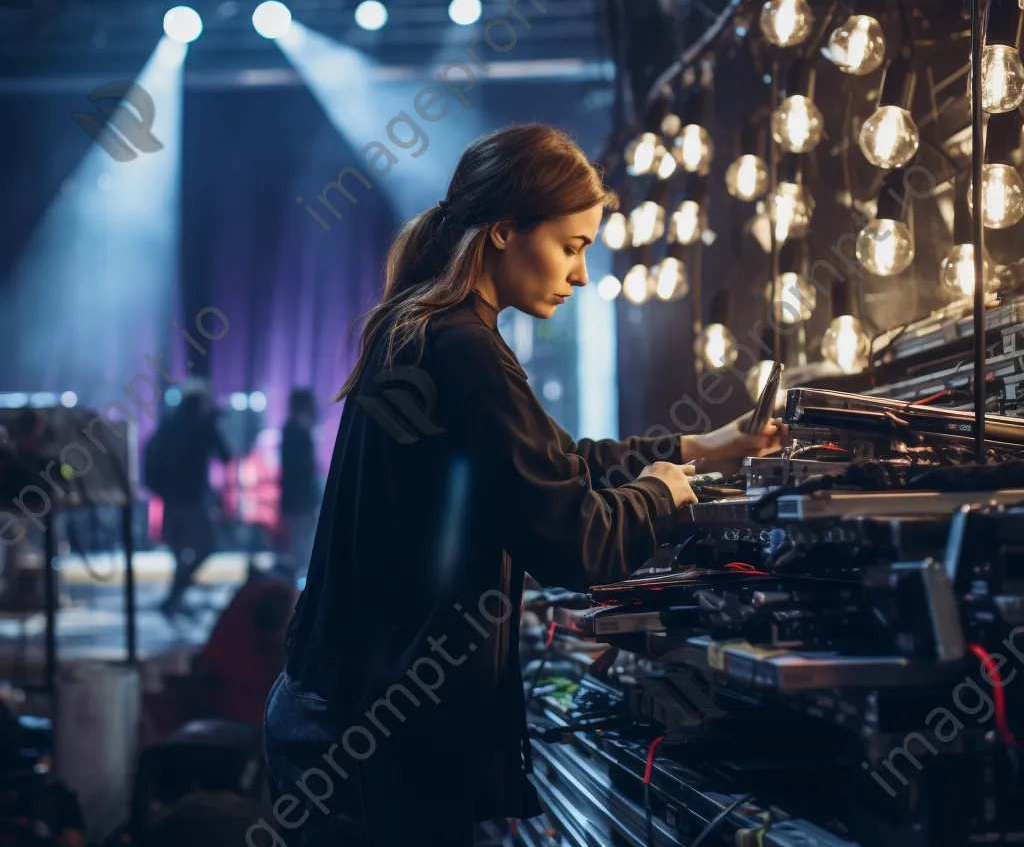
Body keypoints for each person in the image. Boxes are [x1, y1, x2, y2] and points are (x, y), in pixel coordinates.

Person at [263, 124, 782, 845]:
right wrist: (664, 493)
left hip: (338, 718)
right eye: (571, 248)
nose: (579, 274)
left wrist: (700, 447)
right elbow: (576, 542)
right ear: (505, 231)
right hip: (369, 738)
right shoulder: (466, 349)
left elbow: (549, 460)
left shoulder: (425, 329)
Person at [149, 382, 231, 618]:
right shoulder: (202, 425)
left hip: (170, 500)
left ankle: (174, 599)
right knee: (206, 547)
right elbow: (226, 455)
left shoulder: (169, 424)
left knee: (180, 553)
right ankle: (174, 597)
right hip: (191, 501)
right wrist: (214, 424)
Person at [278, 388, 321, 583]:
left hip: (296, 499)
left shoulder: (291, 430)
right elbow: (302, 469)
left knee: (301, 544)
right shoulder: (296, 432)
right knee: (300, 546)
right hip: (299, 499)